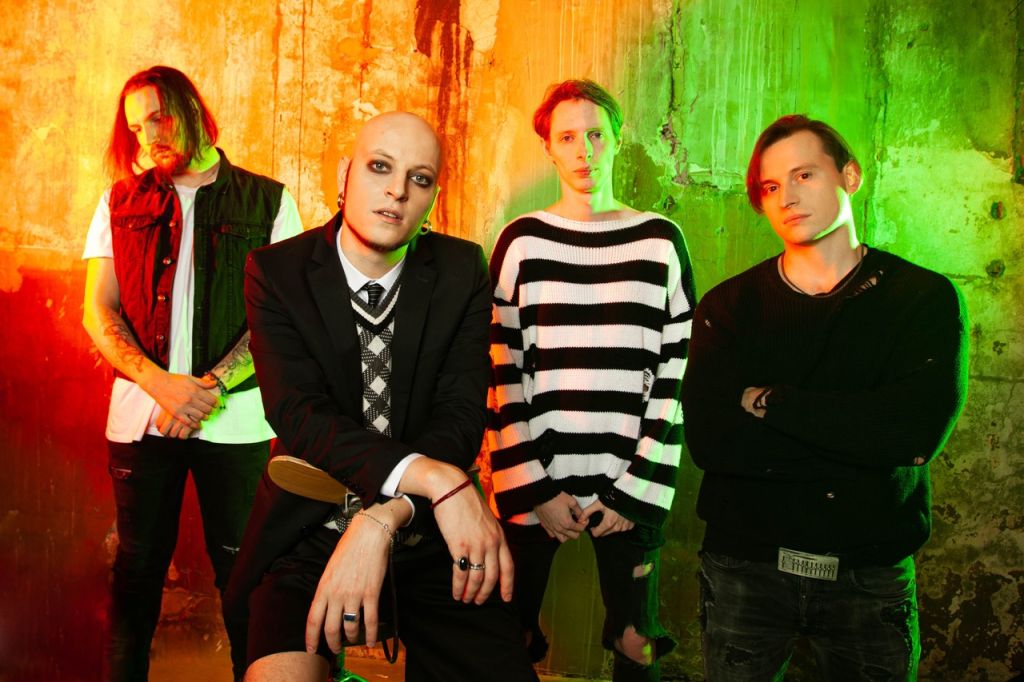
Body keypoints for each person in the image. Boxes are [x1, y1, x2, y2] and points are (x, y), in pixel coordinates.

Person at [223, 111, 538, 682]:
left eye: (419, 178)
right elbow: (299, 416)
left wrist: (384, 517)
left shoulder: (462, 269)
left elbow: (460, 416)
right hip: (307, 530)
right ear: (344, 175)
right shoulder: (276, 271)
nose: (397, 190)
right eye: (379, 167)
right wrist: (439, 479)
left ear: (432, 197)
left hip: (429, 528)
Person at [680, 114, 968, 680]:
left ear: (850, 176)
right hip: (745, 570)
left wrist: (774, 403)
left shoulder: (922, 299)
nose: (787, 197)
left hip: (869, 574)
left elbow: (912, 435)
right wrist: (856, 434)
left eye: (804, 174)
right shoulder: (728, 308)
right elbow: (712, 443)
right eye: (771, 186)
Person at [81, 65, 303, 680]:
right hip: (141, 417)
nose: (148, 136)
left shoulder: (270, 200)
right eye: (136, 127)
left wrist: (209, 389)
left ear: (193, 111)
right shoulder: (118, 201)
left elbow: (282, 317)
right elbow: (97, 310)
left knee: (243, 574)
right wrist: (160, 384)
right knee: (135, 573)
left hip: (235, 422)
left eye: (158, 118)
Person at [487, 79, 694, 681]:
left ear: (619, 139)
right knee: (508, 636)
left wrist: (635, 492)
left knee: (636, 642)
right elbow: (501, 370)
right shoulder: (522, 241)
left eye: (597, 135)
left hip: (632, 481)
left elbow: (676, 372)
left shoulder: (660, 240)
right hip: (537, 480)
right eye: (568, 137)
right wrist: (533, 488)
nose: (584, 151)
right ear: (548, 148)